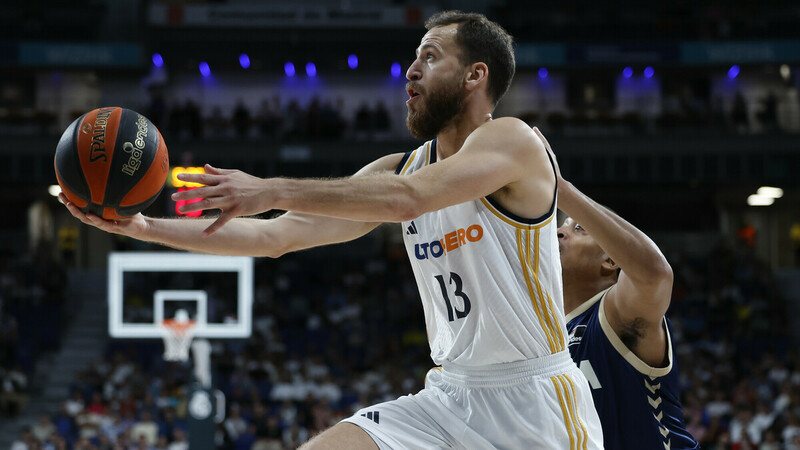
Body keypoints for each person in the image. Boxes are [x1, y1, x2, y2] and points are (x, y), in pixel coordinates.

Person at [62, 11, 602, 450]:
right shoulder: (399, 168)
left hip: (535, 404)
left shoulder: (514, 140)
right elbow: (277, 238)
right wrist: (142, 225)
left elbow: (407, 203)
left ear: (475, 76)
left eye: (430, 57)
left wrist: (269, 187)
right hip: (451, 396)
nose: (411, 71)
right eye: (412, 58)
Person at [533, 127, 699, 449]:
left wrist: (561, 189)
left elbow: (655, 275)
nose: (559, 232)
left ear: (610, 261)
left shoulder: (613, 312)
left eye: (577, 228)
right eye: (560, 226)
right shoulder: (544, 334)